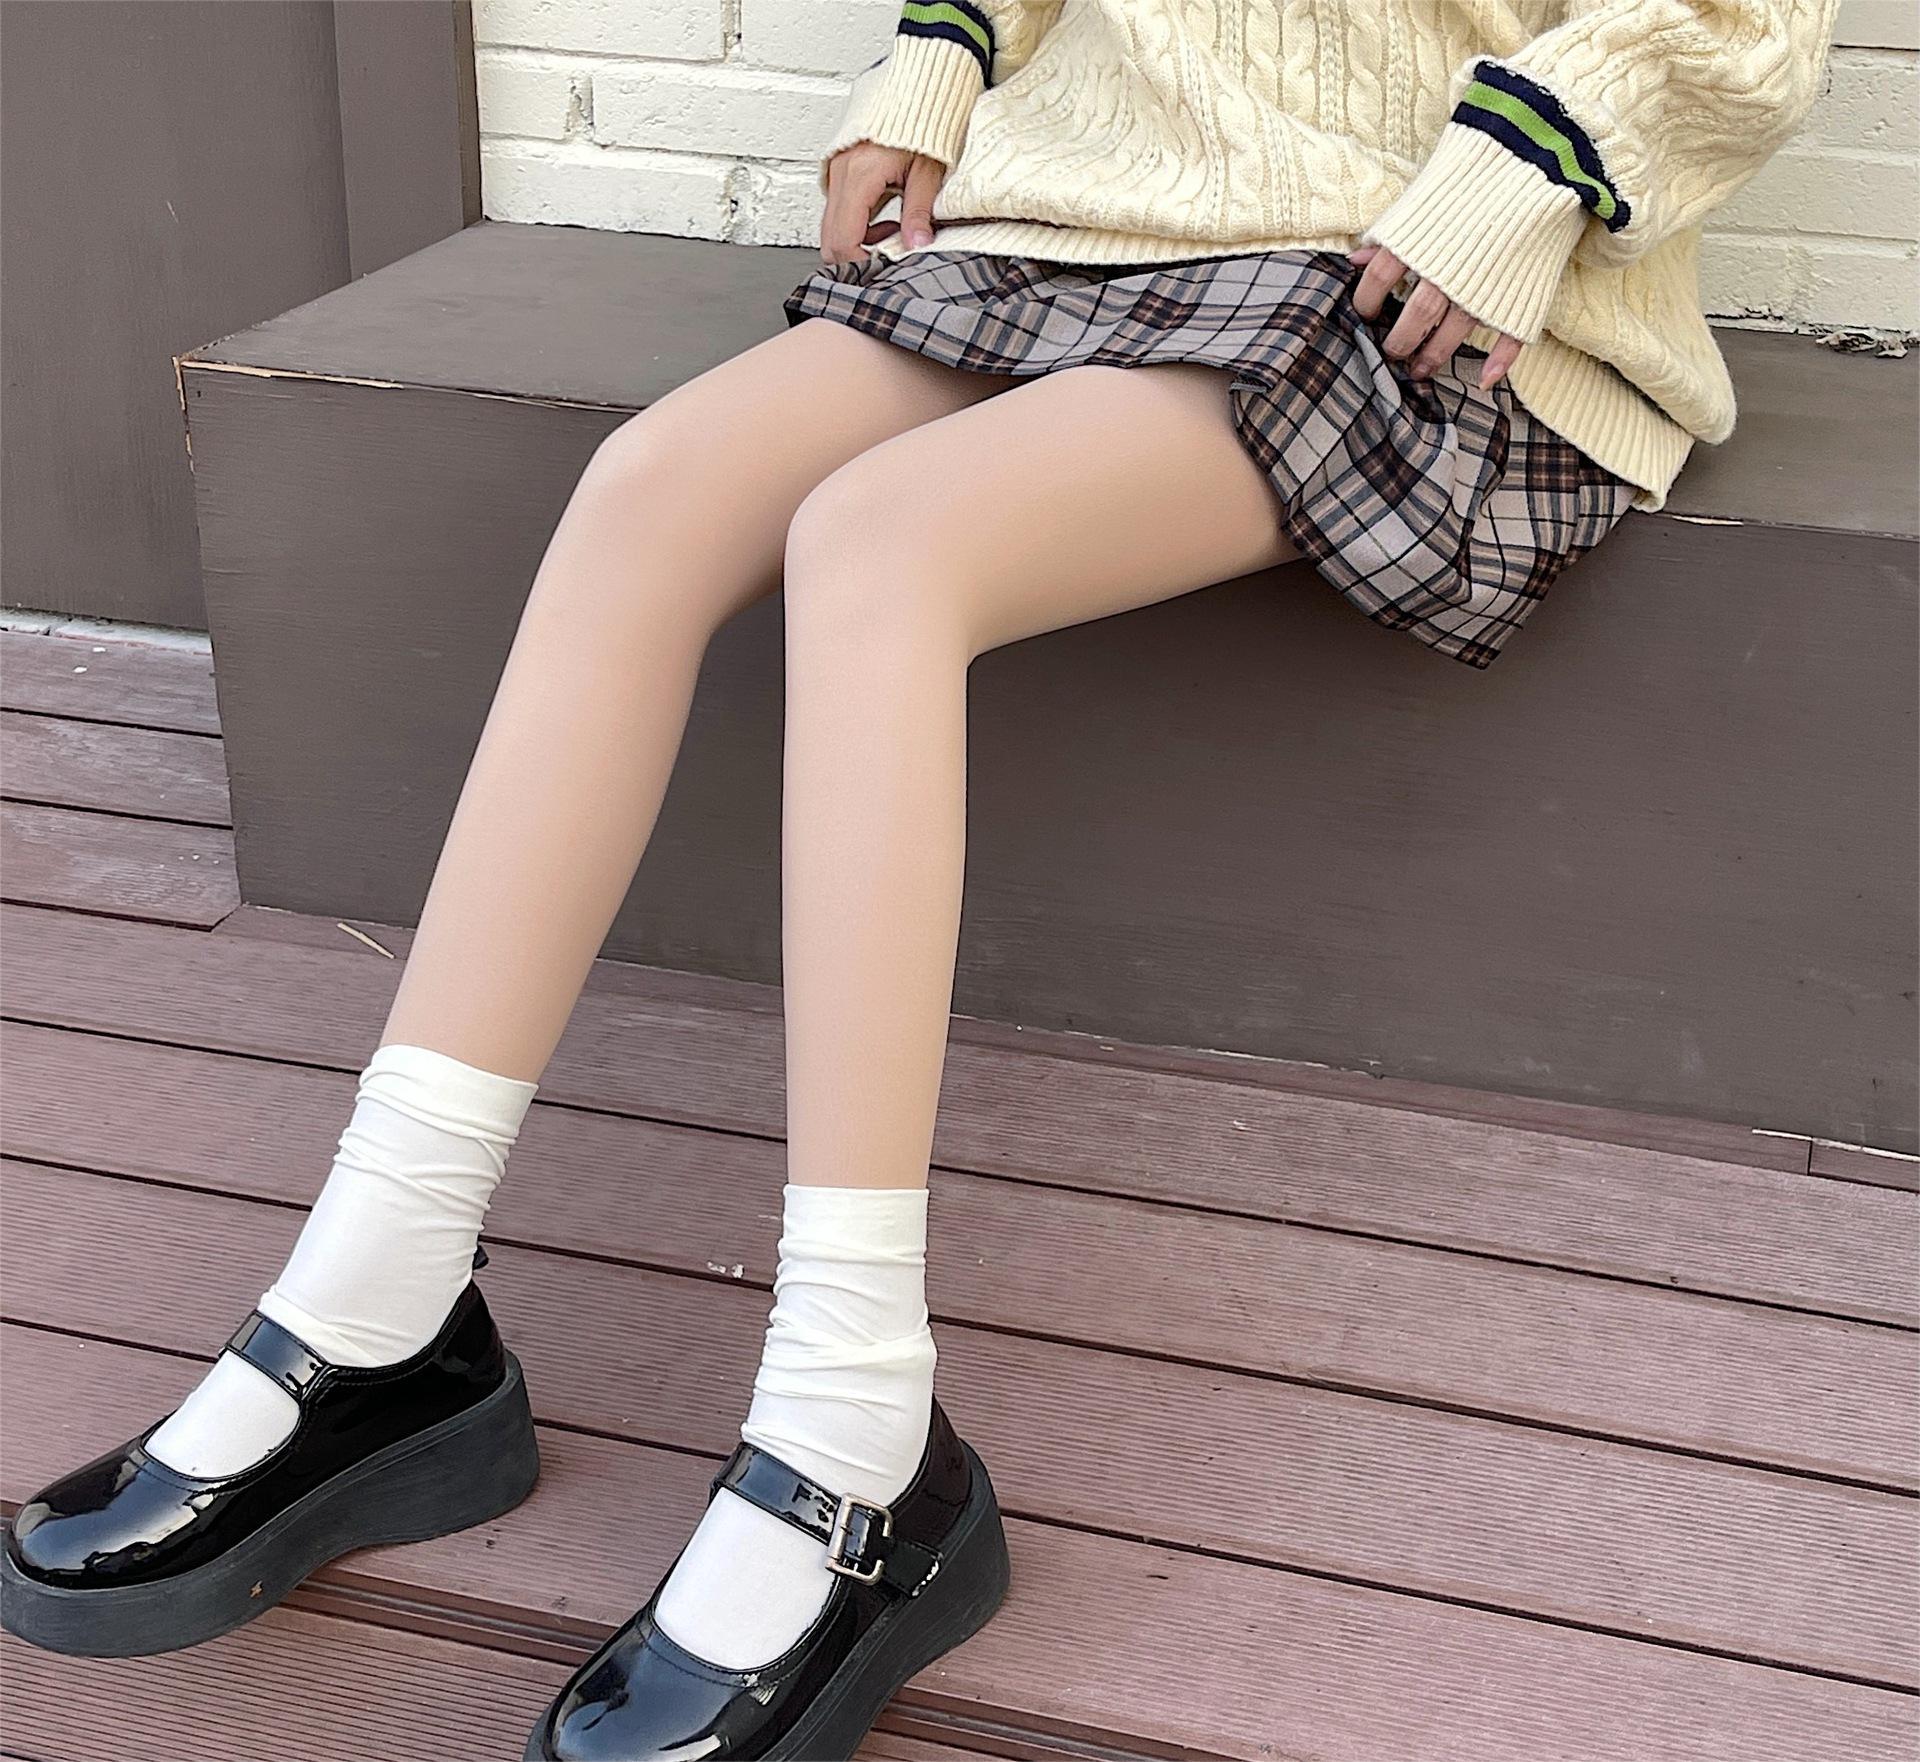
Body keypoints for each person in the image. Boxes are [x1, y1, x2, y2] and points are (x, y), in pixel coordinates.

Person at [2, 0, 1833, 1754]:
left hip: (1424, 267)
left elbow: (1751, 20)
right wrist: (941, 61)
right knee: (647, 489)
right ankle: (377, 1303)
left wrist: (1524, 171)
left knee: (879, 545)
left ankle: (857, 1424)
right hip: (1099, 206)